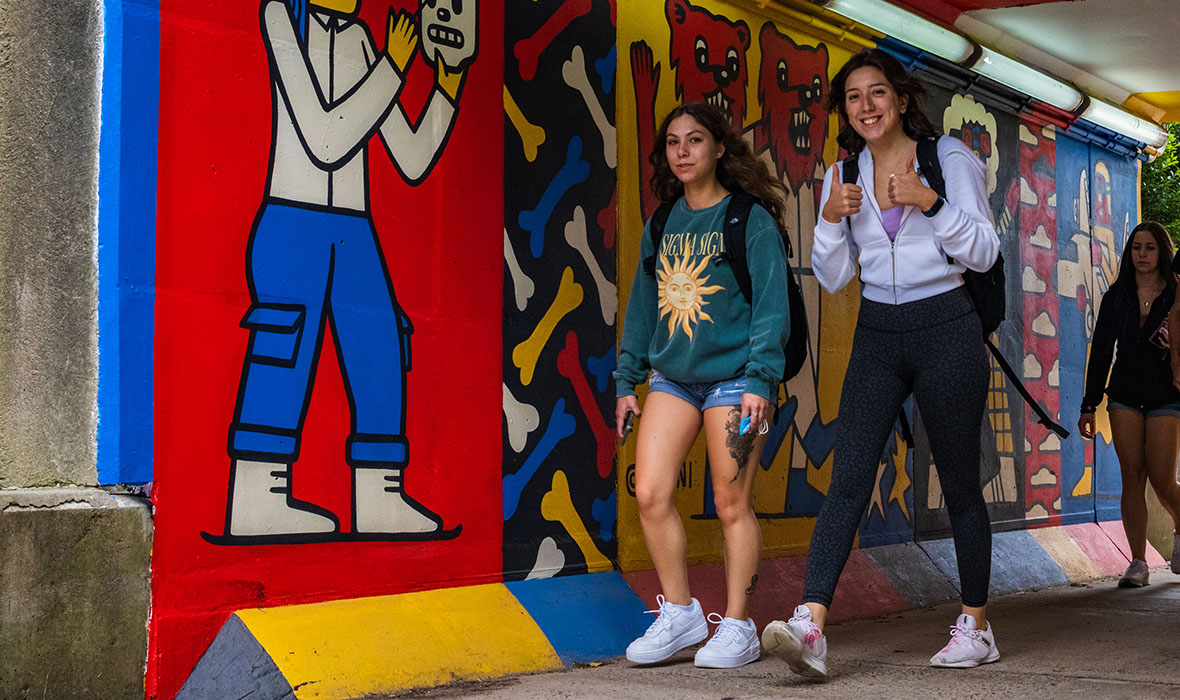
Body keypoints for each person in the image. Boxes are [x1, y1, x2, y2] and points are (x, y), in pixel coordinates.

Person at [761, 48, 1001, 677]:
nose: (865, 107)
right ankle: (810, 623)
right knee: (849, 475)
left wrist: (931, 202)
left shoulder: (946, 158)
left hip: (947, 324)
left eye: (876, 94)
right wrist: (832, 222)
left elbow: (983, 251)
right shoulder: (845, 173)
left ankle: (976, 624)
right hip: (878, 330)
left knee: (957, 483)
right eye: (853, 98)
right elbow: (836, 277)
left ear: (899, 99)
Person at [614, 101, 790, 669]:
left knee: (730, 500)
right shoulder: (662, 223)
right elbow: (643, 307)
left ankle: (738, 625)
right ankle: (683, 612)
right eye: (673, 142)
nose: (683, 151)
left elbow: (771, 306)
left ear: (718, 148)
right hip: (674, 377)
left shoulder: (748, 219)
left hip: (738, 380)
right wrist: (627, 380)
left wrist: (762, 377)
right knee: (651, 493)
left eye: (694, 140)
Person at [1080, 221, 1180, 586]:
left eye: (1150, 247)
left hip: (1167, 395)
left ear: (1163, 252)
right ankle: (1138, 563)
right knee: (1132, 476)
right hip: (1123, 395)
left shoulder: (1175, 294)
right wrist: (1088, 405)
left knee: (1163, 481)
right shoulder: (1117, 296)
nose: (1142, 254)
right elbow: (1102, 352)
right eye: (1136, 247)